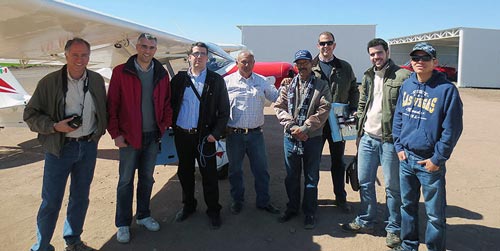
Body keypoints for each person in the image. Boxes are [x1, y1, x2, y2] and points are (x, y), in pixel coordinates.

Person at [24, 38, 107, 251]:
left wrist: (99, 132)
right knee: (51, 200)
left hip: (88, 147)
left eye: (84, 55)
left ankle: (73, 240)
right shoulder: (49, 82)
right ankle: (42, 246)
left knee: (80, 197)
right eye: (75, 55)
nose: (80, 60)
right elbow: (30, 115)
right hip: (60, 149)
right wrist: (54, 126)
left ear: (89, 56)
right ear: (66, 55)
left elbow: (103, 109)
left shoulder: (96, 80)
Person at [391, 42, 463, 251]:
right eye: (415, 58)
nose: (419, 62)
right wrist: (399, 146)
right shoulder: (407, 85)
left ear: (435, 62)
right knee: (407, 207)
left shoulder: (446, 90)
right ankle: (408, 245)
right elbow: (399, 117)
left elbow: (452, 129)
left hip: (429, 162)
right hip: (406, 159)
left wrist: (437, 159)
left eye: (425, 58)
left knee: (434, 215)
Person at [341, 38, 411, 248]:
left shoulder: (403, 76)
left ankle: (393, 228)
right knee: (364, 182)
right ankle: (366, 220)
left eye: (379, 53)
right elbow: (363, 104)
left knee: (392, 187)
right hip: (368, 138)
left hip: (390, 141)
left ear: (387, 52)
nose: (376, 57)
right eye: (372, 54)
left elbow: (407, 110)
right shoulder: (368, 75)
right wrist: (358, 133)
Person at [107, 33, 172, 243]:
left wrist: (162, 128)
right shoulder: (121, 72)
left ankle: (143, 215)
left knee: (147, 179)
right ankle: (123, 223)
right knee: (125, 181)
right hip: (128, 138)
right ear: (137, 47)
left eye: (151, 48)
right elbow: (112, 106)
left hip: (152, 137)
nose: (147, 51)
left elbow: (167, 104)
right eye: (143, 46)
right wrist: (115, 134)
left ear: (156, 50)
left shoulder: (161, 74)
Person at [170, 42, 230, 229]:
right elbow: (169, 104)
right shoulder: (179, 80)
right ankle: (189, 206)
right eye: (195, 54)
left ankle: (213, 210)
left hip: (205, 137)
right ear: (189, 57)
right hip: (182, 135)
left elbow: (224, 111)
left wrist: (215, 134)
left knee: (209, 175)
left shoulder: (215, 80)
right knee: (185, 173)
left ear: (207, 58)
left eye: (202, 54)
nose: (199, 57)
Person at [274, 50, 331, 229]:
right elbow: (279, 107)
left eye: (305, 62)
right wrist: (292, 127)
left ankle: (309, 212)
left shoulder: (322, 85)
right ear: (295, 65)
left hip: (312, 138)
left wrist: (305, 127)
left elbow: (324, 109)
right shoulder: (288, 86)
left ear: (311, 64)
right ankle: (292, 208)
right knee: (291, 176)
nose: (302, 65)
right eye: (299, 62)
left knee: (311, 177)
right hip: (290, 137)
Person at [224, 50, 280, 215]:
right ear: (237, 63)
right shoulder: (227, 82)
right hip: (234, 135)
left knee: (261, 170)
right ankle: (237, 201)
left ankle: (263, 201)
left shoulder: (262, 82)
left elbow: (277, 97)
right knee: (235, 170)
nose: (246, 65)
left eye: (250, 62)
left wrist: (287, 86)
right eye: (243, 62)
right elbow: (218, 107)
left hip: (256, 135)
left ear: (254, 63)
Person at [312, 31, 359, 212]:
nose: (326, 46)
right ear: (318, 45)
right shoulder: (311, 66)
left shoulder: (344, 67)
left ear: (334, 45)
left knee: (338, 161)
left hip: (340, 121)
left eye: (329, 43)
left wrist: (353, 109)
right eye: (322, 43)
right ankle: (311, 199)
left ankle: (340, 198)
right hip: (316, 122)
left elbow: (354, 89)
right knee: (313, 161)